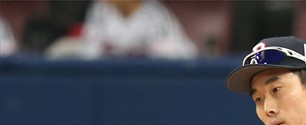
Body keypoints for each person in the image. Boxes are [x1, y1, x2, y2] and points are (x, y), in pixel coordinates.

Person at [46, 0, 197, 59]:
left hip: (150, 84)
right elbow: (88, 51)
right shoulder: (100, 9)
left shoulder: (156, 13)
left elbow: (187, 53)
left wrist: (148, 50)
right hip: (109, 81)